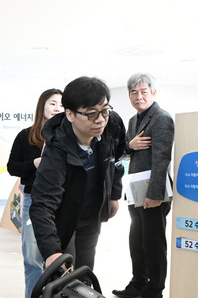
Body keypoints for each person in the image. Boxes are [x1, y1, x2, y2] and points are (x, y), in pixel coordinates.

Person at [30, 76, 126, 276]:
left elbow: (116, 160)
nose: (100, 119)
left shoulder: (113, 124)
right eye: (91, 113)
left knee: (85, 271)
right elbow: (42, 204)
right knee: (63, 273)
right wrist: (52, 252)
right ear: (70, 114)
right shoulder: (56, 149)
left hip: (92, 214)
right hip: (65, 217)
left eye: (104, 110)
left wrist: (114, 195)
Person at [112, 74, 175, 298]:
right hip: (135, 189)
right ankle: (138, 282)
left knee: (153, 243)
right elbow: (123, 151)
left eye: (143, 91)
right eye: (133, 92)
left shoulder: (161, 119)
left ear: (153, 93)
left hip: (153, 192)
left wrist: (154, 195)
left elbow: (161, 159)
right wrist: (130, 146)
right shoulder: (133, 120)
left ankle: (154, 292)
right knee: (136, 240)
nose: (138, 97)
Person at [7, 88, 63, 298]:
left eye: (61, 104)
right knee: (32, 255)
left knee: (60, 255)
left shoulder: (68, 137)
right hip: (33, 199)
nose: (57, 108)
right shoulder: (26, 135)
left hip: (63, 201)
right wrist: (34, 163)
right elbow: (12, 167)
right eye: (52, 103)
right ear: (42, 106)